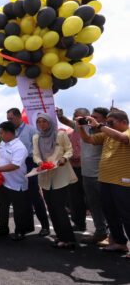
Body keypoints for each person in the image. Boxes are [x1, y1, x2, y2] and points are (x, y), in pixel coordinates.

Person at [78, 109, 130, 257]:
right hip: (106, 180)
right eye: (107, 123)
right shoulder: (107, 135)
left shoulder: (126, 133)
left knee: (126, 215)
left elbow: (123, 139)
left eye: (111, 122)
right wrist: (81, 127)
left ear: (124, 122)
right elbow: (88, 140)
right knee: (110, 213)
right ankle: (120, 242)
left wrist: (100, 126)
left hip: (123, 183)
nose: (107, 125)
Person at [57, 107, 110, 243]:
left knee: (106, 205)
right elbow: (66, 122)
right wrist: (60, 115)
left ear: (105, 119)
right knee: (93, 204)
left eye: (94, 117)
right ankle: (100, 232)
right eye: (77, 118)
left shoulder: (107, 132)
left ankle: (111, 234)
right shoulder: (83, 128)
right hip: (86, 174)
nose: (85, 120)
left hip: (102, 175)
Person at [33, 114, 77, 249]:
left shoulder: (60, 135)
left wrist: (64, 158)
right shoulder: (36, 137)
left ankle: (68, 239)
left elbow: (69, 149)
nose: (41, 124)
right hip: (46, 175)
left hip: (60, 175)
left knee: (59, 208)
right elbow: (35, 154)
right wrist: (41, 163)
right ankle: (59, 236)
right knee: (51, 208)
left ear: (50, 122)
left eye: (44, 121)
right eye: (39, 122)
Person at [0, 121, 34, 241]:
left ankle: (20, 231)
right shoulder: (3, 142)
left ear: (8, 133)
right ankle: (3, 228)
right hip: (3, 182)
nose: (0, 135)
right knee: (2, 207)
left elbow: (15, 165)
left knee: (18, 209)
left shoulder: (19, 147)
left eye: (1, 133)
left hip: (16, 184)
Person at [7, 108, 50, 236]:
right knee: (22, 197)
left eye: (11, 118)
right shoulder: (10, 132)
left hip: (30, 163)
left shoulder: (31, 130)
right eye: (8, 119)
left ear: (19, 116)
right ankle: (26, 227)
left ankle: (45, 226)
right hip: (16, 166)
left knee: (35, 196)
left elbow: (39, 148)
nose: (9, 121)